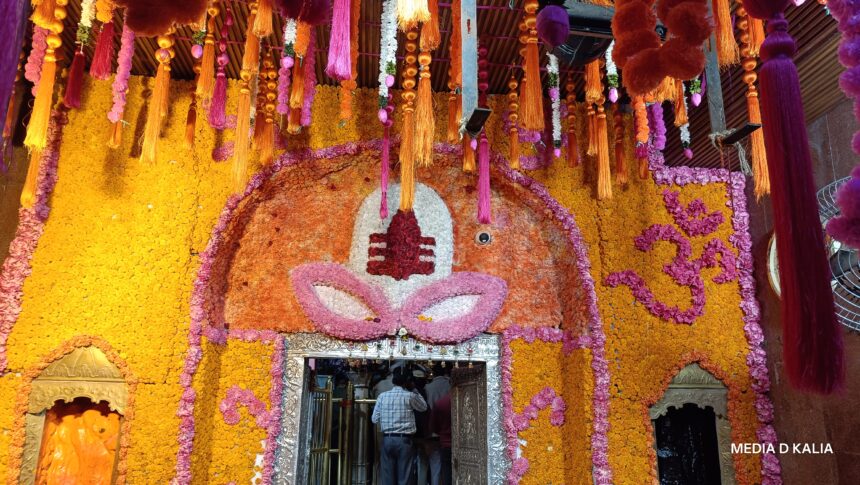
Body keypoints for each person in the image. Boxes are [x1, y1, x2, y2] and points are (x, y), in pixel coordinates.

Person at [372, 369, 428, 485]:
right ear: (407, 382)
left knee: (387, 478)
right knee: (405, 478)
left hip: (387, 439)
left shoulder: (382, 396)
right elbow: (423, 407)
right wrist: (414, 389)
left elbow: (374, 419)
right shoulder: (410, 396)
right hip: (404, 441)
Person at [429, 393, 452, 485]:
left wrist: (443, 432)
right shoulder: (467, 400)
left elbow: (433, 426)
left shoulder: (440, 403)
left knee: (447, 473)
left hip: (446, 443)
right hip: (465, 444)